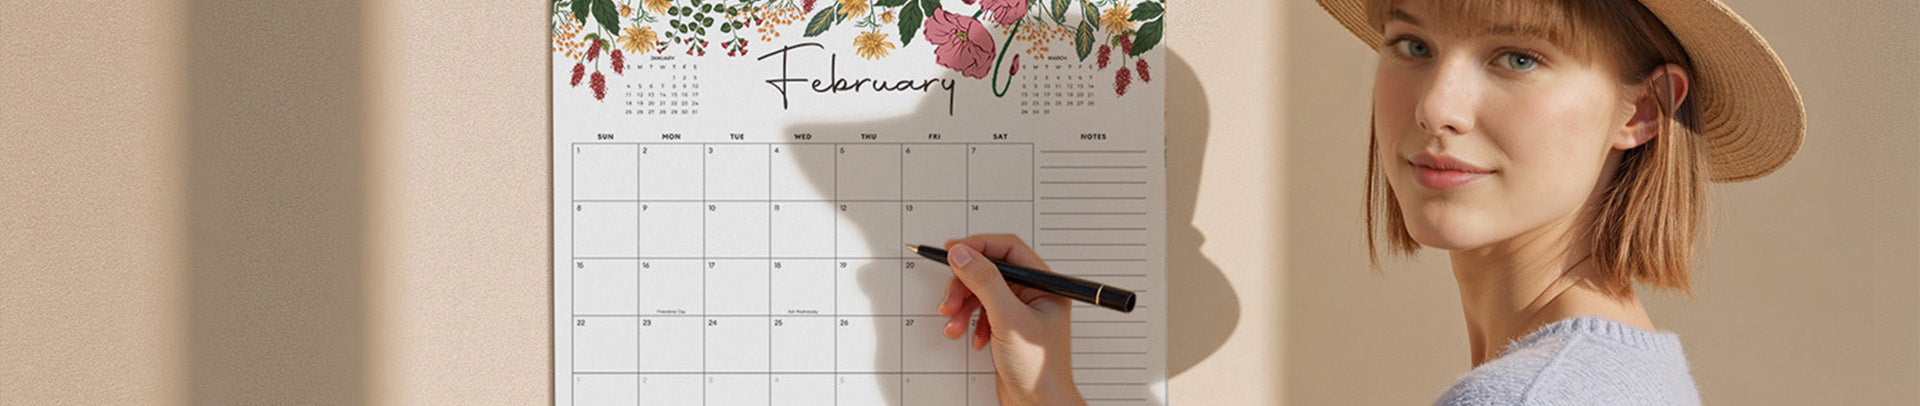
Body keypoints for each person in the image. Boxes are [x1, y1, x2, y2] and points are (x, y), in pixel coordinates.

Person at [935, 0, 1804, 404]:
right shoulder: (1618, 377)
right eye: (1413, 43)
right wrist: (1045, 382)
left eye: (1517, 58)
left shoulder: (1535, 398)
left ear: (1641, 109)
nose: (1435, 107)